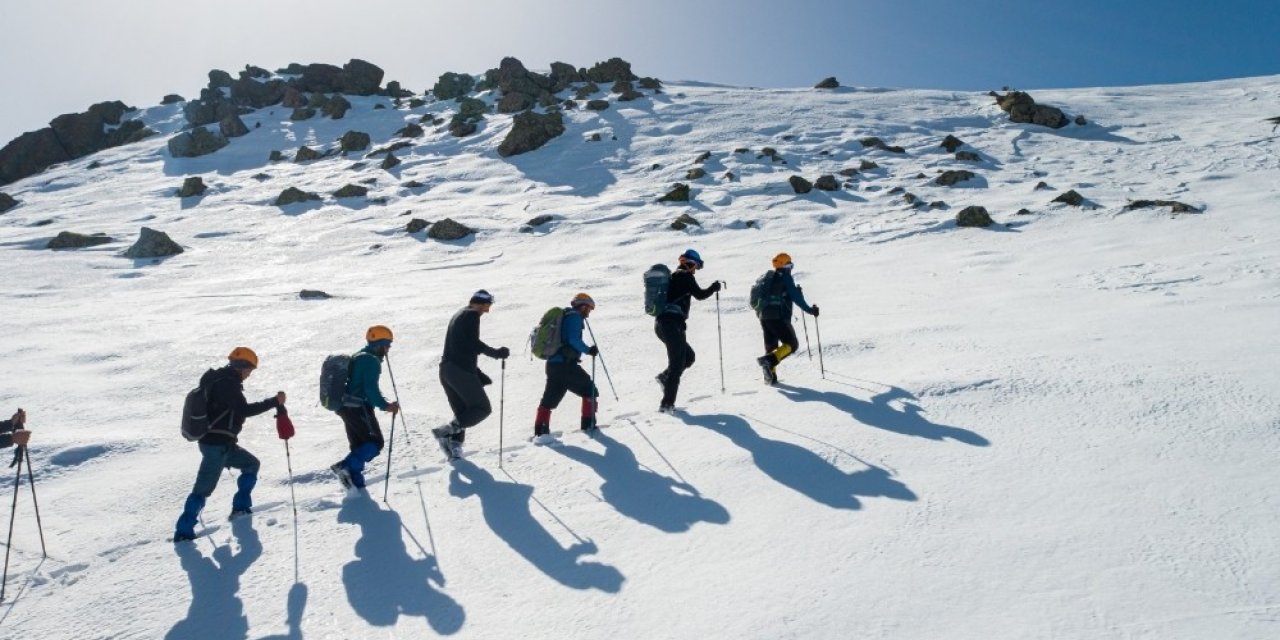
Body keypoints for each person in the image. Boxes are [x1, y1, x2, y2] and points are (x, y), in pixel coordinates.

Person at [174, 347, 286, 542]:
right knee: (202, 490)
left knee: (251, 464)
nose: (250, 374)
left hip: (222, 444)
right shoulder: (227, 383)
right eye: (250, 370)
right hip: (216, 446)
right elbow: (244, 410)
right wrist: (274, 402)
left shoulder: (220, 380)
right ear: (242, 367)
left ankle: (240, 509)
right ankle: (183, 532)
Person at [433, 290, 510, 460]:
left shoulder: (459, 314)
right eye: (487, 305)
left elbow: (461, 345)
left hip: (447, 370)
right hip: (459, 371)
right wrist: (496, 353)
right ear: (478, 302)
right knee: (482, 409)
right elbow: (472, 344)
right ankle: (445, 432)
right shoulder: (471, 315)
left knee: (463, 412)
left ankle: (455, 447)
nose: (487, 310)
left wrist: (477, 372)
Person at [330, 326, 401, 490]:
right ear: (381, 344)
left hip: (345, 407)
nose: (389, 348)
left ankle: (356, 484)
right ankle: (345, 467)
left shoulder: (359, 356)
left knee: (359, 445)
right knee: (375, 442)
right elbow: (370, 389)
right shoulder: (370, 360)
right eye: (388, 344)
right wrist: (386, 406)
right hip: (358, 407)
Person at [654, 249, 722, 413]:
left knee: (688, 357)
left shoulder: (675, 276)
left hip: (664, 324)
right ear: (690, 263)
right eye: (696, 266)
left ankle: (664, 378)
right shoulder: (684, 276)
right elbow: (699, 295)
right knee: (676, 364)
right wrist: (714, 287)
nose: (695, 270)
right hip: (671, 324)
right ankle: (667, 404)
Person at [534, 293, 600, 440]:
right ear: (583, 306)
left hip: (553, 365)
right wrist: (589, 350)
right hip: (566, 366)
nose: (589, 313)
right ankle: (589, 426)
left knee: (549, 399)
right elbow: (572, 339)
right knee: (590, 390)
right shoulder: (574, 317)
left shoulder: (564, 315)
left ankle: (540, 432)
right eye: (589, 309)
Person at [754, 252, 819, 385]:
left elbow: (782, 296)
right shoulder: (785, 277)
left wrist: (793, 293)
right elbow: (795, 298)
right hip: (778, 316)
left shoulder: (770, 278)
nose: (791, 268)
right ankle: (768, 361)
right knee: (792, 344)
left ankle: (770, 377)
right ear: (786, 265)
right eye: (791, 265)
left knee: (771, 347)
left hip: (764, 317)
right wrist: (810, 310)